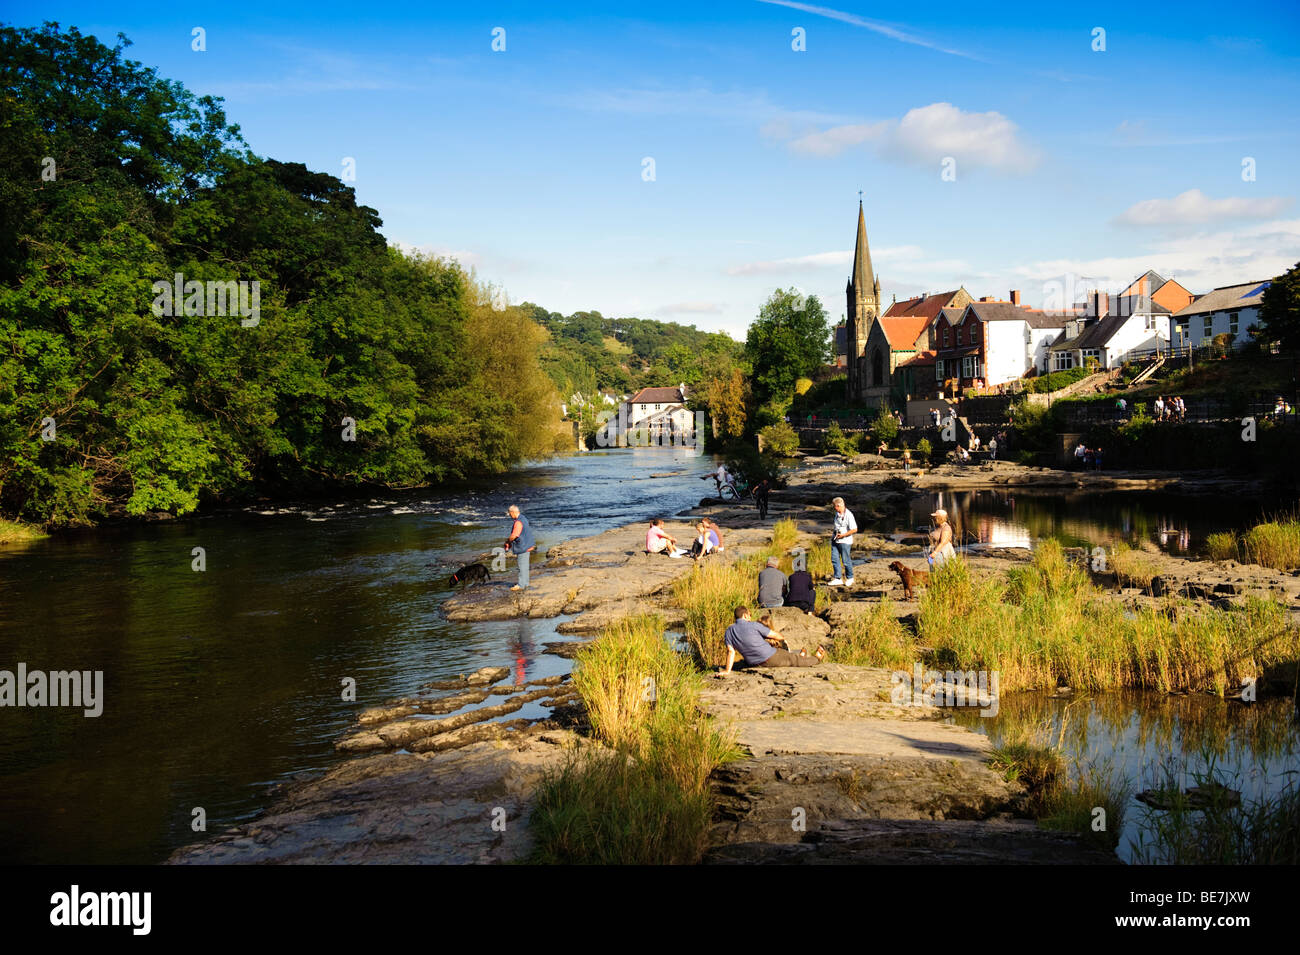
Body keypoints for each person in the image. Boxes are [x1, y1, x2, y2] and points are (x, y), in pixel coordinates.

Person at [722, 606, 824, 671]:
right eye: (750, 615)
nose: (750, 617)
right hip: (769, 657)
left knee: (787, 655)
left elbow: (731, 652)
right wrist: (782, 638)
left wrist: (727, 671)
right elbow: (776, 636)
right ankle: (816, 659)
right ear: (745, 615)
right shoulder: (753, 625)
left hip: (753, 663)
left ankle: (801, 654)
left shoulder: (728, 631)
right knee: (794, 660)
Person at [504, 505, 536, 591]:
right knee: (525, 566)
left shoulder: (518, 522)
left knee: (521, 566)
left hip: (523, 546)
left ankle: (521, 585)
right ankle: (525, 583)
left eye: (509, 514)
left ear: (512, 512)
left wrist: (507, 541)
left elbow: (514, 535)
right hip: (527, 545)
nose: (509, 516)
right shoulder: (524, 518)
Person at [829, 496, 856, 586]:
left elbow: (854, 529)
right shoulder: (837, 514)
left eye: (834, 506)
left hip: (845, 541)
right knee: (834, 559)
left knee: (845, 560)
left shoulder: (849, 515)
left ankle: (850, 578)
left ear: (838, 505)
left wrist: (843, 535)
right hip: (835, 540)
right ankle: (838, 578)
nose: (834, 508)